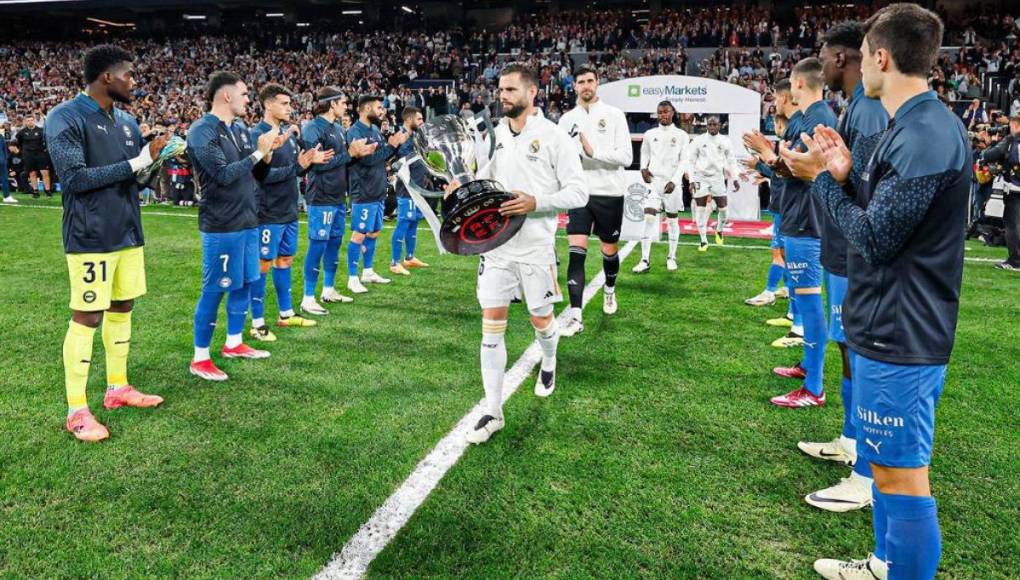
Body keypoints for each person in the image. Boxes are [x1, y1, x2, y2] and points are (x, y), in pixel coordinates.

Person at [792, 5, 970, 578]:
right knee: (884, 464)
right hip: (888, 323)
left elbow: (874, 238)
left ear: (880, 57)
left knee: (900, 474)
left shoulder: (925, 131)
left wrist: (821, 181)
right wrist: (845, 174)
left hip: (904, 330)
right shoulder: (908, 125)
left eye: (864, 52)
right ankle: (882, 563)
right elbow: (882, 213)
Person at [785, 21, 890, 515]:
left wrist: (814, 170)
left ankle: (866, 472)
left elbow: (860, 190)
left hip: (853, 252)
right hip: (839, 248)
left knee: (859, 352)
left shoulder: (867, 110)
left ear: (843, 58)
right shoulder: (855, 107)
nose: (821, 63)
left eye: (825, 56)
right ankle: (851, 440)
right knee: (849, 350)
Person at [45, 44, 169, 442]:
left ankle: (118, 388)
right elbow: (75, 178)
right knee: (88, 314)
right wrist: (138, 162)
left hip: (127, 230)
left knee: (122, 305)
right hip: (91, 234)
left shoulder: (128, 124)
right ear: (106, 77)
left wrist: (157, 158)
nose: (133, 82)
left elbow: (134, 178)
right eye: (128, 75)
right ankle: (77, 410)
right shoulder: (64, 117)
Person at [462, 63, 587, 444]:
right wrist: (462, 181)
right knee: (490, 326)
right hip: (496, 245)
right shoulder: (494, 134)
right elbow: (479, 176)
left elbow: (579, 193)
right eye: (500, 89)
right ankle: (493, 410)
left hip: (535, 247)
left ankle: (549, 359)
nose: (503, 95)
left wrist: (537, 202)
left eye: (511, 90)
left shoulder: (554, 137)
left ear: (533, 94)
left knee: (541, 321)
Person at [186, 71, 282, 381]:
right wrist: (259, 151)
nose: (247, 100)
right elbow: (224, 174)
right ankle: (200, 358)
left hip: (248, 221)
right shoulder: (202, 131)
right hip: (221, 225)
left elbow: (255, 175)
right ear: (226, 96)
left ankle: (234, 343)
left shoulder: (239, 130)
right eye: (243, 94)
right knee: (215, 289)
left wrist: (266, 157)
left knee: (245, 283)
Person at [766, 57, 838, 409]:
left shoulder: (819, 118)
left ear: (796, 84)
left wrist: (771, 155)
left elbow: (813, 171)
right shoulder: (813, 117)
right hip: (800, 217)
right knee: (804, 298)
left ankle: (815, 388)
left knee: (810, 303)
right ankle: (808, 366)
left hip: (809, 222)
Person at [247, 83, 333, 341]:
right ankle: (257, 322)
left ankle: (286, 314)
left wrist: (307, 164)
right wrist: (298, 167)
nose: (289, 108)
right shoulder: (258, 135)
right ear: (268, 105)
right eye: (284, 103)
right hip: (266, 211)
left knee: (285, 260)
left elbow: (294, 170)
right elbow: (260, 176)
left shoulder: (289, 135)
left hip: (288, 210)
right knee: (262, 264)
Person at [557, 65, 632, 334]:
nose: (586, 85)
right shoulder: (566, 120)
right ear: (574, 86)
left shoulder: (614, 115)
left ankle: (609, 290)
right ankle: (576, 317)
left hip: (609, 193)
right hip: (579, 194)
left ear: (598, 83)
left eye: (590, 80)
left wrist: (593, 151)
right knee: (576, 254)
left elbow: (626, 157)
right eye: (581, 82)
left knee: (609, 251)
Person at [299, 87, 374, 315]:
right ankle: (308, 297)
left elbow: (341, 162)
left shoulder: (339, 130)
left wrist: (357, 155)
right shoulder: (312, 128)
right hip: (321, 197)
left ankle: (328, 289)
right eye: (342, 102)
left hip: (338, 197)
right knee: (318, 246)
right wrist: (349, 155)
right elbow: (318, 163)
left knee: (334, 244)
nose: (346, 106)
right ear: (331, 104)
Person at [344, 95, 409, 294]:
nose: (382, 111)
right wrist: (391, 146)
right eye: (379, 107)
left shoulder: (374, 130)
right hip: (363, 191)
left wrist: (393, 146)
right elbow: (367, 161)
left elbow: (381, 158)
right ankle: (352, 278)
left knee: (373, 232)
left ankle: (368, 271)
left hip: (378, 189)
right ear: (365, 109)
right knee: (358, 235)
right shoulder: (355, 131)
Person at [635, 100, 689, 272]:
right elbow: (644, 152)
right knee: (649, 217)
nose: (663, 115)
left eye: (666, 111)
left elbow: (684, 160)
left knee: (672, 220)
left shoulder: (681, 135)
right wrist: (643, 167)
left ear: (672, 112)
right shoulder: (650, 134)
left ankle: (671, 257)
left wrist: (675, 180)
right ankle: (644, 260)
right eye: (660, 112)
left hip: (672, 183)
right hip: (654, 182)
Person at [685, 116, 741, 251]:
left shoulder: (725, 141)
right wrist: (692, 180)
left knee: (723, 210)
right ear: (706, 126)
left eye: (714, 124)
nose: (711, 127)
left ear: (720, 125)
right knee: (700, 209)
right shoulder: (698, 140)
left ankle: (719, 230)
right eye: (709, 125)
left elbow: (732, 161)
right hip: (700, 177)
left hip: (717, 178)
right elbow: (690, 160)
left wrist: (735, 177)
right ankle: (703, 240)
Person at [977, 115, 1020, 271]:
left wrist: (996, 142)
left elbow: (989, 155)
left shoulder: (1011, 141)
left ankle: (1015, 261)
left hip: (1015, 189)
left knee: (1013, 225)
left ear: (1015, 126)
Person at [390, 106, 430, 276]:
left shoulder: (415, 136)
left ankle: (409, 257)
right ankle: (394, 263)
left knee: (413, 222)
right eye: (419, 119)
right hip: (406, 188)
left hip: (418, 187)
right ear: (409, 120)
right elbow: (403, 158)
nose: (422, 122)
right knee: (403, 222)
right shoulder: (401, 137)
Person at [16, 116, 52, 197]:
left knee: (45, 173)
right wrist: (23, 152)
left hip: (40, 155)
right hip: (29, 156)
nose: (30, 122)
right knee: (32, 173)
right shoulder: (21, 132)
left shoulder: (41, 131)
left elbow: (47, 141)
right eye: (28, 120)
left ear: (34, 121)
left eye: (31, 120)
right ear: (25, 122)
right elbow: (18, 143)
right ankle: (35, 191)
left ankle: (47, 190)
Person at [0, 127, 13, 203]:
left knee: (4, 178)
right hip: (2, 160)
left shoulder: (1, 136)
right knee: (4, 178)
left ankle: (7, 196)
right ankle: (7, 196)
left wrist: (5, 159)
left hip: (2, 161)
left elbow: (5, 149)